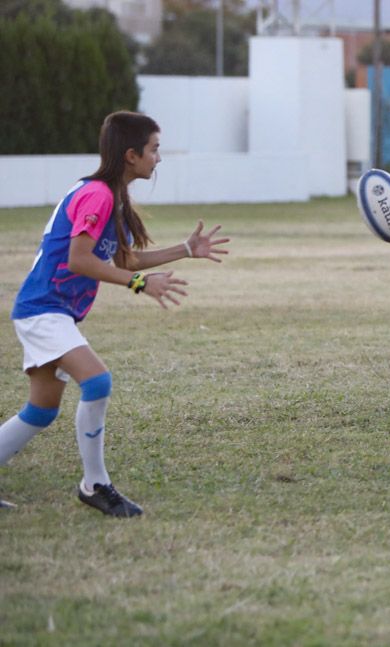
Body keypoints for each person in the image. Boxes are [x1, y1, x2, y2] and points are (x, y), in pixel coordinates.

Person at [0, 111, 229, 516]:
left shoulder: (112, 198)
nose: (158, 158)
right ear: (130, 155)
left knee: (40, 410)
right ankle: (95, 484)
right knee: (98, 381)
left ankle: (94, 483)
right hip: (44, 310)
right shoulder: (98, 196)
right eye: (154, 149)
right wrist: (140, 285)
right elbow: (79, 260)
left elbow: (121, 258)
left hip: (51, 312)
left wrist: (185, 250)